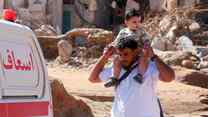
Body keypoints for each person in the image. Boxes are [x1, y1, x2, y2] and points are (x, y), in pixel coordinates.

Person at [88, 35, 175, 117]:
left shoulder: (149, 67)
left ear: (136, 52)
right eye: (120, 54)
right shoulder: (116, 68)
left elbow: (170, 77)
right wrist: (105, 57)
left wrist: (154, 57)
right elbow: (92, 78)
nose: (122, 58)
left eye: (126, 54)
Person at [104, 8, 150, 87]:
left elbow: (147, 41)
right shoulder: (123, 32)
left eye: (139, 22)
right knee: (116, 59)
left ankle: (140, 75)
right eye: (134, 22)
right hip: (125, 54)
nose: (137, 24)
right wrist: (110, 47)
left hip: (137, 53)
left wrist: (145, 47)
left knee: (143, 58)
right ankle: (114, 78)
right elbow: (116, 42)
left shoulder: (141, 31)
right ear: (126, 22)